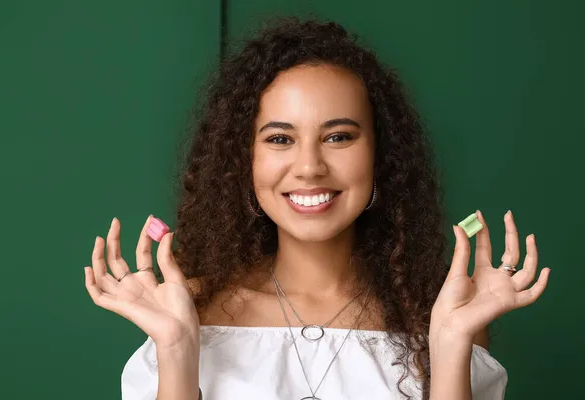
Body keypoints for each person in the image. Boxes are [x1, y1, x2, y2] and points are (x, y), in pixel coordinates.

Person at [84, 17, 551, 400]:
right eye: (280, 139)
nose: (309, 167)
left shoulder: (438, 317)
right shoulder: (187, 311)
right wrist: (179, 348)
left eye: (338, 137)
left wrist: (449, 344)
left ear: (381, 157)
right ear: (242, 159)